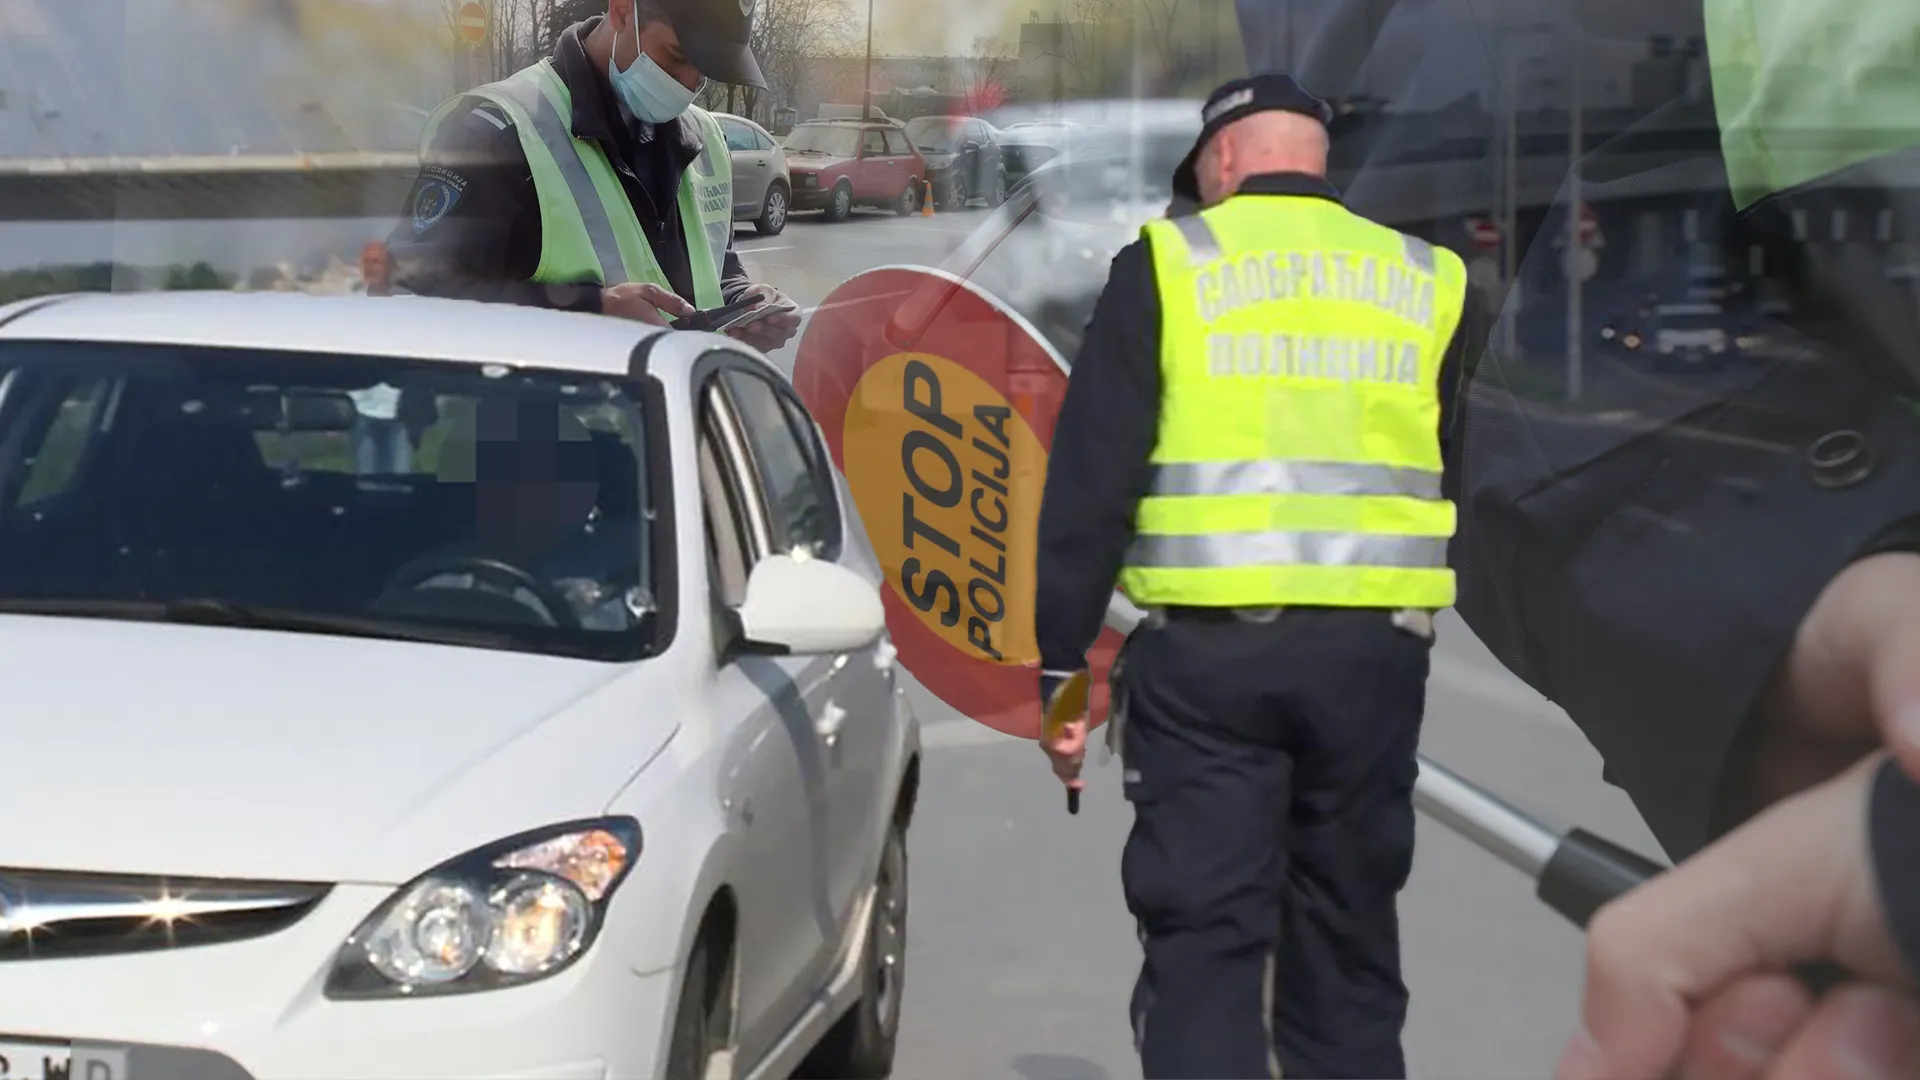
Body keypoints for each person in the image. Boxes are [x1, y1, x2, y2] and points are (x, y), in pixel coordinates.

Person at [1033, 74, 1483, 1079]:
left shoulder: (1167, 267)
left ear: (1222, 158)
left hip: (1209, 671)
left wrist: (1063, 682)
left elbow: (1088, 492)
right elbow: (1451, 471)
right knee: (1350, 950)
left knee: (1206, 951)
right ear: (1316, 158)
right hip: (1375, 665)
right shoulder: (1429, 278)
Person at [385, 0, 801, 354]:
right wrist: (590, 311)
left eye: (707, 69)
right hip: (536, 441)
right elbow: (403, 296)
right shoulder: (498, 131)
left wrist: (743, 301)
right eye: (676, 56)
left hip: (664, 431)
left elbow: (715, 266)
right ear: (622, 9)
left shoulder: (705, 139)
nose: (690, 83)